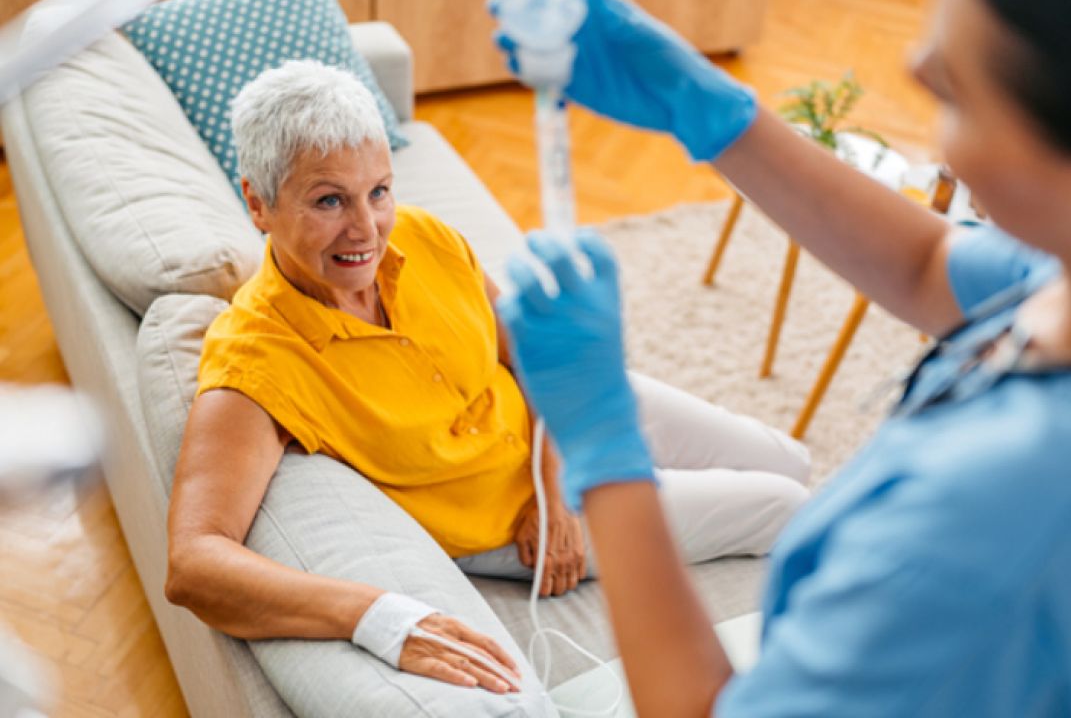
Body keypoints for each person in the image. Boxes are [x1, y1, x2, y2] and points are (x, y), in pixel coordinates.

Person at [492, 0, 1071, 715]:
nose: (914, 63)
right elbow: (927, 265)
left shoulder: (984, 550)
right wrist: (710, 111)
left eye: (956, 88)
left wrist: (605, 449)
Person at [163, 60, 811, 696]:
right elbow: (195, 564)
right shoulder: (255, 362)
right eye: (329, 200)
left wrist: (554, 485)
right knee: (786, 508)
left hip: (558, 430)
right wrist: (379, 616)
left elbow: (534, 355)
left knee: (785, 459)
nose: (366, 230)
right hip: (503, 522)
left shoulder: (423, 237)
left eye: (379, 191)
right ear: (258, 203)